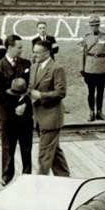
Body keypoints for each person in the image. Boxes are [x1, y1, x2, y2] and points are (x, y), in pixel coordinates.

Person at [0, 35, 32, 185]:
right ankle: (7, 176)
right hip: (7, 114)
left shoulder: (27, 64)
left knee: (26, 146)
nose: (22, 50)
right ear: (10, 48)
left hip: (26, 113)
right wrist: (15, 108)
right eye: (19, 47)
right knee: (8, 146)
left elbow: (30, 87)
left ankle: (27, 176)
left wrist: (25, 105)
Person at [29, 40, 70, 176]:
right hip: (39, 118)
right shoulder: (34, 67)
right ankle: (65, 178)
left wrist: (41, 95)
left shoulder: (56, 69)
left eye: (37, 52)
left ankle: (39, 184)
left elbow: (61, 92)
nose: (34, 55)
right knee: (54, 152)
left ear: (47, 53)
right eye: (33, 52)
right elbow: (31, 87)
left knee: (44, 155)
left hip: (51, 118)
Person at [81, 15, 105, 121]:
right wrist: (82, 68)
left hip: (102, 68)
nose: (94, 27)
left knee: (100, 91)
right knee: (91, 92)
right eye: (92, 26)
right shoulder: (86, 37)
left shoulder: (104, 37)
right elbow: (83, 54)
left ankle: (99, 112)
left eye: (96, 25)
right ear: (90, 26)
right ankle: (91, 112)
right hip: (89, 68)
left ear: (99, 26)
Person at [4, 78, 34, 178]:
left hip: (25, 128)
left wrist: (25, 108)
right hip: (11, 127)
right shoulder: (8, 98)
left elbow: (31, 113)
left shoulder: (28, 100)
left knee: (26, 151)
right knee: (9, 151)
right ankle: (7, 175)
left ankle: (27, 174)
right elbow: (7, 112)